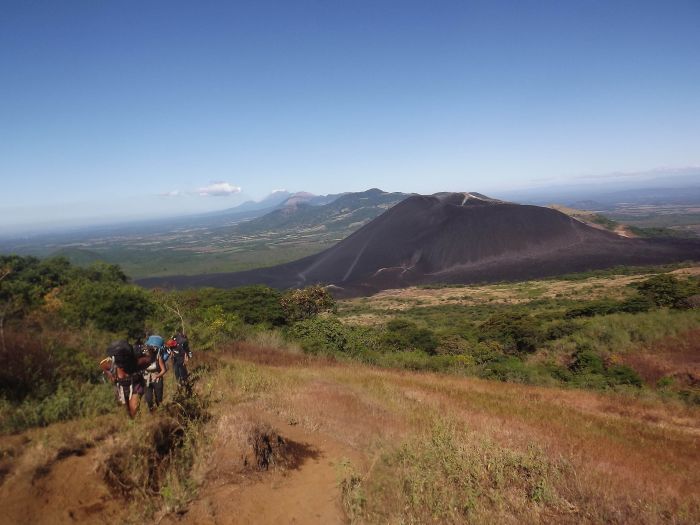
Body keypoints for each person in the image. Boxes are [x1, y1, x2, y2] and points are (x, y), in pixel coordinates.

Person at [100, 339, 149, 418]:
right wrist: (111, 376)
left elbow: (148, 360)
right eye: (119, 364)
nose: (122, 366)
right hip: (122, 387)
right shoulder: (110, 363)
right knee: (127, 411)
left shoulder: (137, 362)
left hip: (135, 385)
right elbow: (103, 365)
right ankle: (133, 424)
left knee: (134, 408)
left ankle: (138, 424)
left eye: (123, 363)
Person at [143, 334, 168, 411]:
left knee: (159, 398)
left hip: (157, 378)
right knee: (148, 398)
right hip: (147, 378)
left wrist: (158, 376)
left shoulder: (158, 357)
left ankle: (160, 411)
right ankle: (152, 412)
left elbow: (164, 370)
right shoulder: (143, 358)